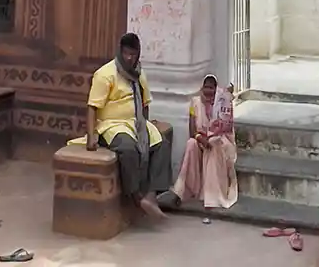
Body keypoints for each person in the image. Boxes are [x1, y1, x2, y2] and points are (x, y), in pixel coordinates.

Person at [83, 32, 170, 219]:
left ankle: (151, 195)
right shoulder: (105, 74)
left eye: (133, 54)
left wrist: (146, 127)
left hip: (136, 122)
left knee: (161, 144)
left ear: (138, 54)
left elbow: (145, 103)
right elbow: (92, 107)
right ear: (120, 52)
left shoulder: (139, 73)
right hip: (112, 125)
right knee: (128, 149)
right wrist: (91, 135)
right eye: (126, 54)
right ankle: (137, 197)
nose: (129, 58)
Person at [171, 75, 238, 209]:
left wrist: (212, 137)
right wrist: (200, 138)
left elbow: (226, 130)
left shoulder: (222, 103)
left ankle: (213, 196)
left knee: (214, 143)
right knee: (191, 144)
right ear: (202, 88)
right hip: (200, 139)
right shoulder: (195, 102)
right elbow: (192, 131)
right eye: (206, 87)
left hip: (221, 142)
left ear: (215, 89)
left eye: (211, 88)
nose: (208, 91)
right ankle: (181, 191)